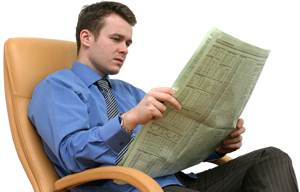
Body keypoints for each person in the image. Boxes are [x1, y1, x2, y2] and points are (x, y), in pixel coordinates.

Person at [28, 1, 299, 191]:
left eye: (128, 43)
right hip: (125, 188)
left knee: (271, 159)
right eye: (116, 39)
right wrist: (129, 120)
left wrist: (217, 147)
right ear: (86, 38)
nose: (125, 49)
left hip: (176, 181)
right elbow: (71, 155)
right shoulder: (58, 87)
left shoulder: (128, 91)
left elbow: (170, 147)